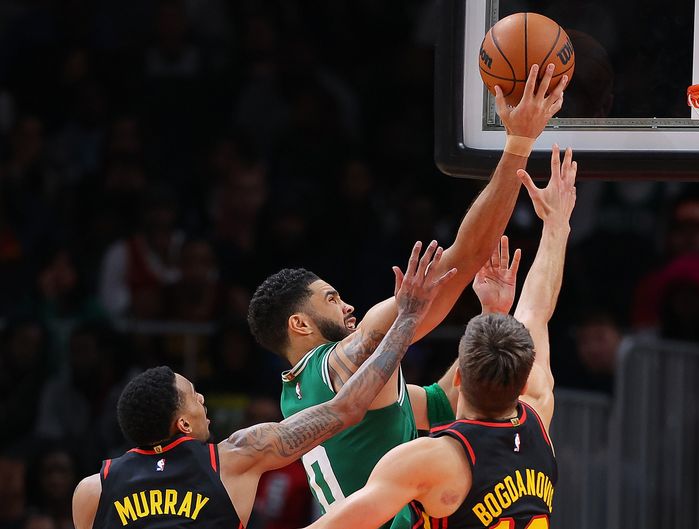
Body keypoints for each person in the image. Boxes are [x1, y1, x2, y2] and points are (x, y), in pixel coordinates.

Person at [247, 65, 568, 526]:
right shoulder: (340, 362)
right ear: (299, 324)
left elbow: (453, 398)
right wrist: (518, 144)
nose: (349, 305)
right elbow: (466, 256)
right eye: (331, 299)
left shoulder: (302, 393)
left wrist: (491, 316)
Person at [71, 240, 455, 529]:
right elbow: (347, 408)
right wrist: (407, 318)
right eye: (192, 396)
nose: (202, 397)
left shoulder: (93, 490)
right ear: (183, 425)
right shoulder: (234, 457)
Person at [302, 146, 577, 529]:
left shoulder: (432, 460)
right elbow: (536, 311)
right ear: (524, 378)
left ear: (459, 377)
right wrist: (557, 225)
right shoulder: (538, 411)